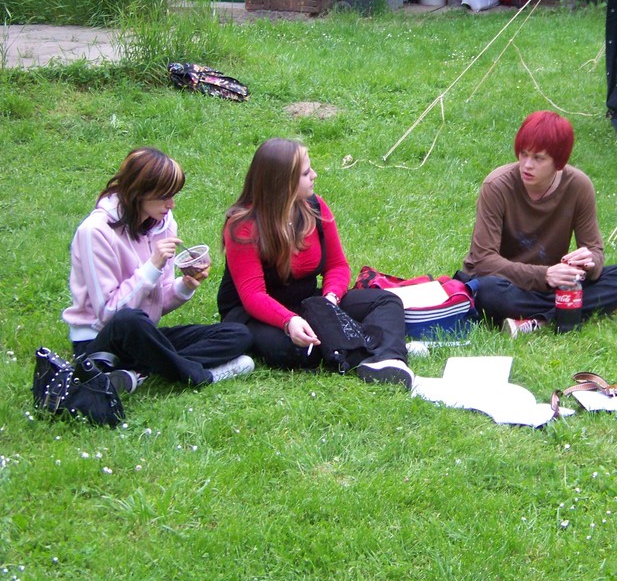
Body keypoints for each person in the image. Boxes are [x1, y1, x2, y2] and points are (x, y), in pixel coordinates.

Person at [218, 138, 413, 387]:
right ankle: (372, 341)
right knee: (295, 351)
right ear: (282, 183)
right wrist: (289, 321)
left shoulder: (314, 206)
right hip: (255, 312)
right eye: (306, 172)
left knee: (386, 300)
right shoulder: (243, 225)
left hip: (309, 302)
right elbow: (253, 295)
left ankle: (388, 358)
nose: (314, 175)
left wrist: (330, 301)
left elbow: (338, 266)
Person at [63, 148, 254, 393]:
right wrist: (151, 267)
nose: (171, 204)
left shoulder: (164, 223)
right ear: (139, 192)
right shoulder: (95, 232)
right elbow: (108, 313)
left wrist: (184, 286)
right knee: (129, 320)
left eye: (173, 195)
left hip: (145, 336)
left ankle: (139, 372)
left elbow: (157, 302)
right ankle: (200, 375)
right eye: (164, 196)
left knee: (238, 333)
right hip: (101, 340)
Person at [459, 110, 617, 337]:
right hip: (507, 282)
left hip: (554, 283)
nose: (527, 165)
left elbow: (595, 253)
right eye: (523, 154)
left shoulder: (579, 186)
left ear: (559, 161)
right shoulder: (497, 185)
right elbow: (484, 261)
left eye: (538, 158)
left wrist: (589, 262)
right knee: (487, 294)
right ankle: (580, 308)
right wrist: (545, 275)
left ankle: (537, 321)